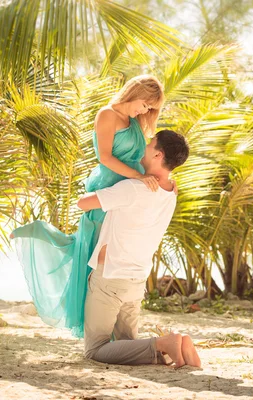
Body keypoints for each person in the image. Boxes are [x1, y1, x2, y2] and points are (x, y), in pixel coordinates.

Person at [10, 75, 166, 338]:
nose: (145, 111)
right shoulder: (107, 114)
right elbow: (104, 157)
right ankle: (41, 230)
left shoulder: (134, 121)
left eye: (150, 108)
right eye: (144, 104)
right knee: (92, 250)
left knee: (100, 250)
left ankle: (114, 327)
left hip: (127, 191)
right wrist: (138, 177)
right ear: (134, 92)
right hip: (110, 186)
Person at [77, 129, 200, 368]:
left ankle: (165, 344)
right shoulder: (170, 193)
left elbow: (83, 203)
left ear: (158, 154)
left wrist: (106, 180)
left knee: (95, 349)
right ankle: (174, 347)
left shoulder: (133, 188)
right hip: (136, 281)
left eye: (149, 143)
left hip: (111, 278)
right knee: (126, 345)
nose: (144, 147)